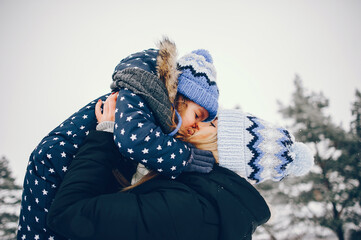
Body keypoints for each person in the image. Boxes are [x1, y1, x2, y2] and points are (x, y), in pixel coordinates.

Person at [17, 38, 219, 240]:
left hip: (75, 169)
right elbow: (133, 140)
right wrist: (183, 157)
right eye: (197, 116)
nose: (195, 126)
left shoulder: (152, 107)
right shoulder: (141, 92)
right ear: (182, 97)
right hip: (53, 165)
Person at [46, 93, 271, 240]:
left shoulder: (184, 207)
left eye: (211, 123)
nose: (194, 123)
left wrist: (105, 134)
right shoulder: (214, 206)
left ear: (223, 148)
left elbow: (68, 215)